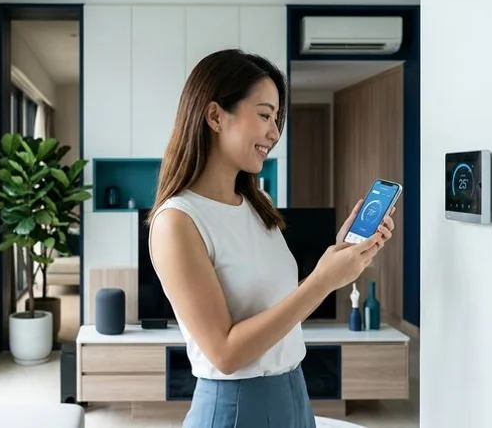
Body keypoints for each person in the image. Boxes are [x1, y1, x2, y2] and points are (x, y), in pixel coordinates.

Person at [146, 49, 396, 428]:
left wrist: (339, 256)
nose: (275, 133)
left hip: (293, 392)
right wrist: (323, 281)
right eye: (264, 115)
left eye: (276, 119)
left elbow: (275, 304)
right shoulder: (178, 221)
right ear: (215, 115)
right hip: (237, 407)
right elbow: (225, 353)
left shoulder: (256, 201)